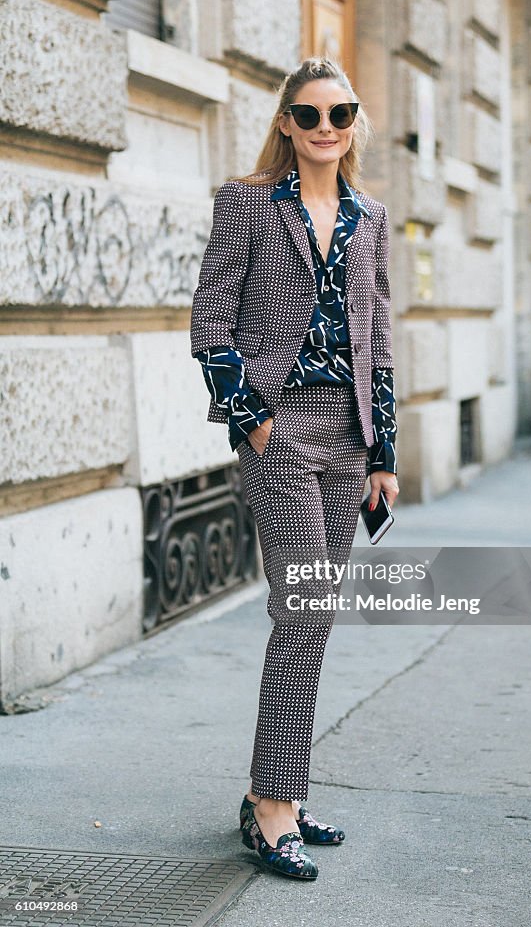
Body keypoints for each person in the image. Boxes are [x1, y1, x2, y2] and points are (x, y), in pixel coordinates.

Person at [190, 56, 399, 880]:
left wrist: (384, 453)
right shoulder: (245, 204)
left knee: (315, 615)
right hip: (281, 431)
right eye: (309, 116)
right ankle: (271, 805)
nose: (325, 129)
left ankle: (279, 792)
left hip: (347, 436)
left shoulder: (370, 216)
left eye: (339, 115)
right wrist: (257, 426)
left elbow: (377, 338)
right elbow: (210, 322)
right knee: (304, 610)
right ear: (285, 123)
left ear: (354, 124)